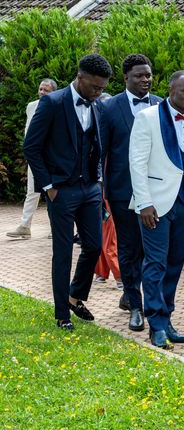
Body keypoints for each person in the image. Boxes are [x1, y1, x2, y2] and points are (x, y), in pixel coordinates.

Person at [129, 70, 184, 349]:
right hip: (154, 204)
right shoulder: (147, 118)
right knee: (155, 262)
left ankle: (167, 318)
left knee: (174, 263)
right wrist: (144, 202)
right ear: (171, 90)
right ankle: (155, 324)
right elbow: (137, 162)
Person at [23, 54, 112, 330]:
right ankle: (62, 313)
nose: (99, 93)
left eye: (102, 88)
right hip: (61, 191)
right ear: (80, 77)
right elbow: (31, 147)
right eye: (95, 87)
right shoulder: (53, 102)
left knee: (94, 245)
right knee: (62, 253)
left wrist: (97, 180)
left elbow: (98, 145)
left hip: (90, 189)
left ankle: (75, 296)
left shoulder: (96, 105)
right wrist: (48, 186)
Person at [100, 54, 162, 332]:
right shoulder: (110, 108)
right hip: (122, 191)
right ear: (126, 78)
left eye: (148, 75)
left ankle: (153, 302)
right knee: (128, 249)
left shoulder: (161, 105)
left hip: (157, 191)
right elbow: (100, 153)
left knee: (153, 249)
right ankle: (135, 307)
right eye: (139, 75)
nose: (145, 79)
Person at [6, 79, 57, 239]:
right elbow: (29, 131)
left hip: (50, 158)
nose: (42, 92)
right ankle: (25, 226)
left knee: (53, 192)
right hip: (35, 157)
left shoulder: (57, 106)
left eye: (46, 90)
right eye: (41, 89)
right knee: (31, 192)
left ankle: (55, 228)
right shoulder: (31, 106)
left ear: (53, 92)